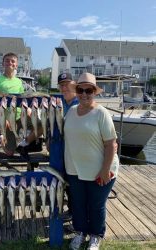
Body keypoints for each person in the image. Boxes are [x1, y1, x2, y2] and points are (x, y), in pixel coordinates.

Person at [64, 72, 119, 250]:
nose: (84, 94)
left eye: (89, 90)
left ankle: (96, 235)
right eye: (80, 90)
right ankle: (80, 232)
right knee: (78, 204)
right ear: (77, 91)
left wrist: (105, 170)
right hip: (74, 169)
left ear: (94, 92)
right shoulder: (71, 111)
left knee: (96, 206)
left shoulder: (101, 113)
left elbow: (111, 144)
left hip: (100, 170)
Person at [0, 52, 41, 157]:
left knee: (42, 126)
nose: (10, 63)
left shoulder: (19, 82)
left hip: (21, 115)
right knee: (10, 153)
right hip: (8, 119)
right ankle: (2, 138)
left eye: (13, 61)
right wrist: (3, 120)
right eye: (7, 60)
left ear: (16, 65)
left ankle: (24, 143)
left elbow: (22, 99)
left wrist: (28, 109)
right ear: (3, 63)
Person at [57, 73, 78, 222]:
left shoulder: (79, 102)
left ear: (74, 84)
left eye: (67, 84)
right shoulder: (60, 102)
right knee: (66, 181)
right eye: (61, 85)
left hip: (77, 150)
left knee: (76, 184)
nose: (64, 87)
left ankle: (77, 214)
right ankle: (71, 210)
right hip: (64, 149)